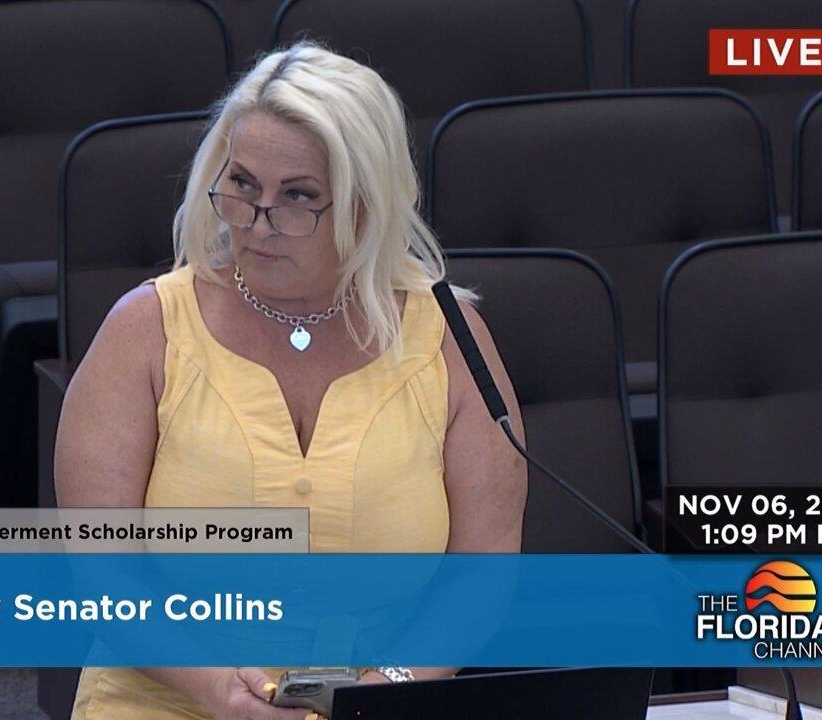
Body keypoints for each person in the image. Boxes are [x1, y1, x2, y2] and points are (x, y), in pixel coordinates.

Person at [55, 41, 527, 720]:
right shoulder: (146, 331)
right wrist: (220, 693)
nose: (257, 222)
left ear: (366, 205)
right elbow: (103, 576)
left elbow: (482, 574)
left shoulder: (450, 340)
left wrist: (391, 687)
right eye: (243, 186)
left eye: (298, 197)